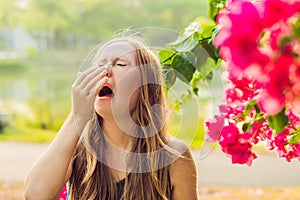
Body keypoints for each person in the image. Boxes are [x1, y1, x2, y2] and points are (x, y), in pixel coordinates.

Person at [24, 35, 198, 200]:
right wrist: (76, 117)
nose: (105, 71)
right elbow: (36, 195)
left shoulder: (174, 156)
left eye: (120, 64)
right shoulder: (77, 148)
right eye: (100, 64)